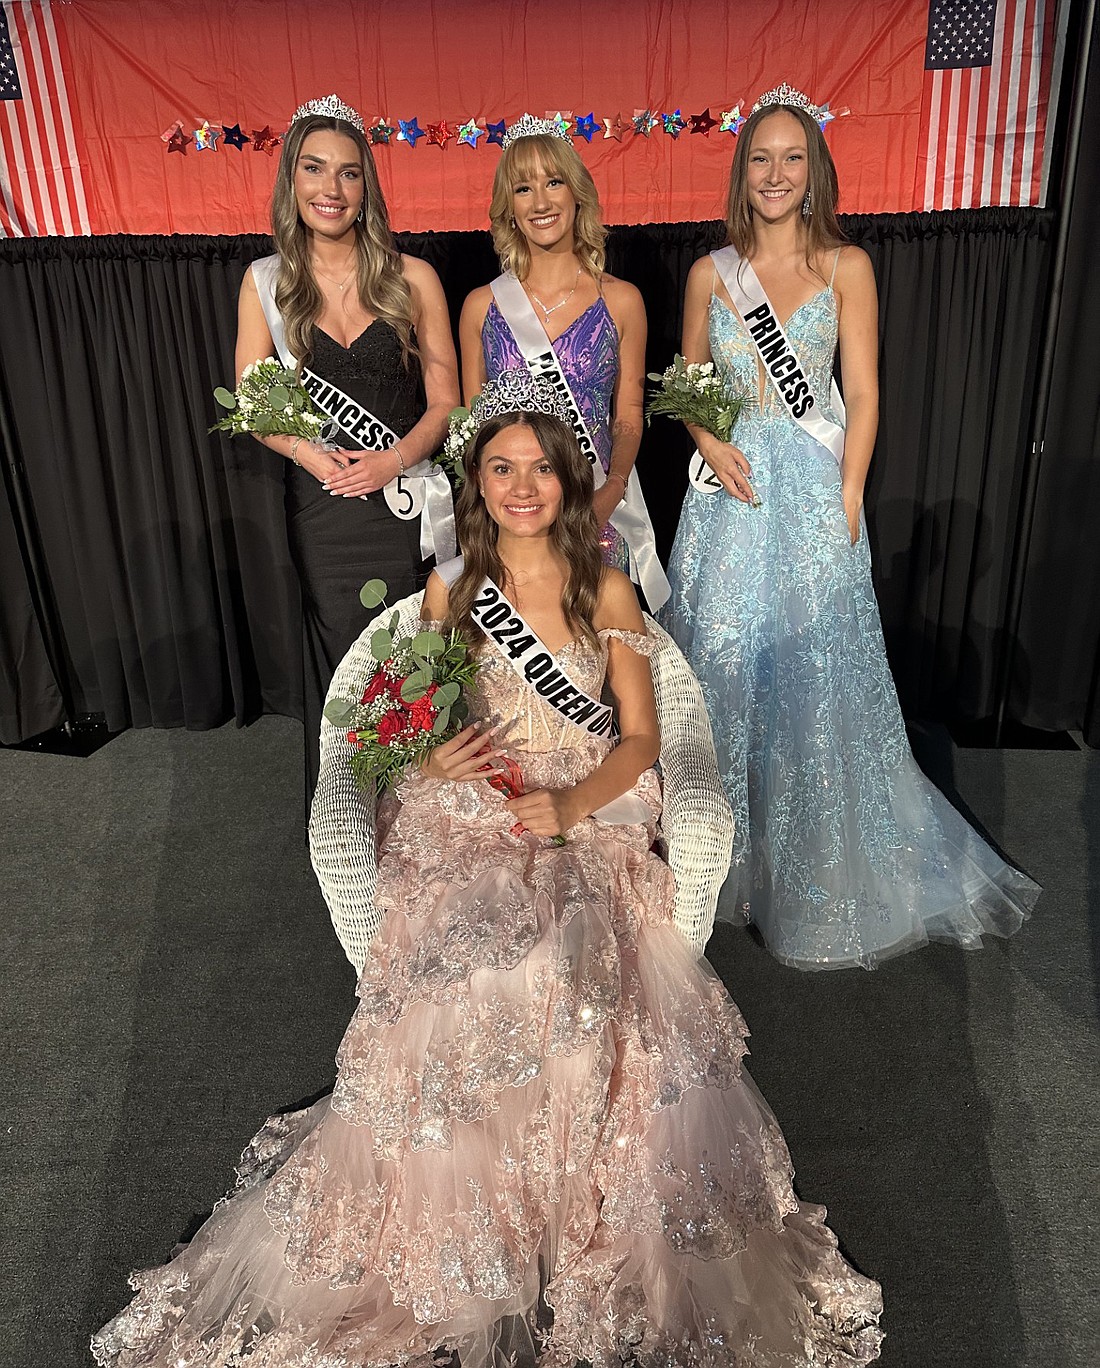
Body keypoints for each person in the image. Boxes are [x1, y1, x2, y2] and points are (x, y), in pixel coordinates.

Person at [92, 374, 883, 1368]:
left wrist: (570, 804)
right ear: (475, 481)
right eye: (501, 468)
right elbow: (382, 723)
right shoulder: (450, 589)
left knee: (586, 963)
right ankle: (475, 1219)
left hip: (585, 808)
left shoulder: (606, 587)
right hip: (467, 817)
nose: (521, 485)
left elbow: (639, 741)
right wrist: (427, 756)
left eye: (539, 469)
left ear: (567, 480)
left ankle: (574, 1206)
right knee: (473, 969)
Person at [660, 85, 1039, 969]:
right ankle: (719, 859)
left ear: (816, 171)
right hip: (729, 492)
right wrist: (711, 446)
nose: (776, 174)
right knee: (717, 664)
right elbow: (685, 384)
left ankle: (806, 867)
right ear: (741, 171)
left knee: (810, 672)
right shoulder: (710, 274)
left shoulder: (847, 266)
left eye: (793, 158)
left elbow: (862, 392)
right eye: (761, 158)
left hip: (812, 485)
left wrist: (849, 493)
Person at [236, 94, 459, 799]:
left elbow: (448, 404)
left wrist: (394, 459)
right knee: (346, 662)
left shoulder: (412, 277)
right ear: (291, 182)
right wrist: (307, 454)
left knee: (413, 651)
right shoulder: (265, 284)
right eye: (314, 169)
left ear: (367, 188)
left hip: (403, 508)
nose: (331, 189)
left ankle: (428, 814)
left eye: (349, 173)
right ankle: (354, 810)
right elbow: (252, 405)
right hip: (325, 510)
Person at [459, 115, 669, 610]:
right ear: (508, 207)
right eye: (524, 188)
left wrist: (610, 491)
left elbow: (627, 418)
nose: (541, 201)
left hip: (593, 514)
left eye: (554, 182)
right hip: (511, 518)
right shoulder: (480, 307)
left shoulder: (621, 301)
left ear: (577, 193)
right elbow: (470, 432)